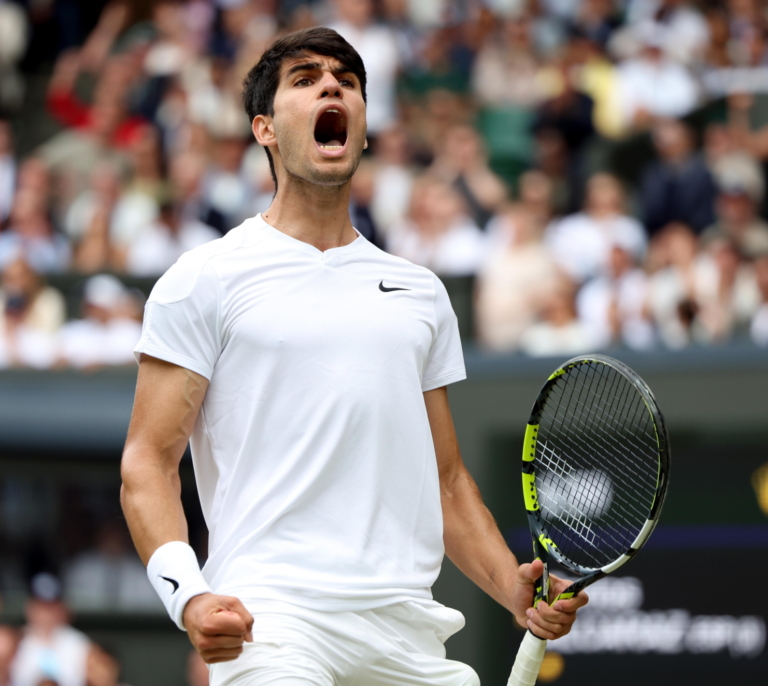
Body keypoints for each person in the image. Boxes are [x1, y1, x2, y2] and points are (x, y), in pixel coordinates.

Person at [120, 27, 587, 685]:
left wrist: (514, 589)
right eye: (305, 79)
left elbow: (448, 482)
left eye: (346, 79)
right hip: (275, 624)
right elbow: (148, 460)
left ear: (363, 127)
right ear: (266, 129)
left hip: (409, 636)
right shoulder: (204, 279)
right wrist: (188, 594)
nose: (332, 85)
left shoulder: (420, 294)